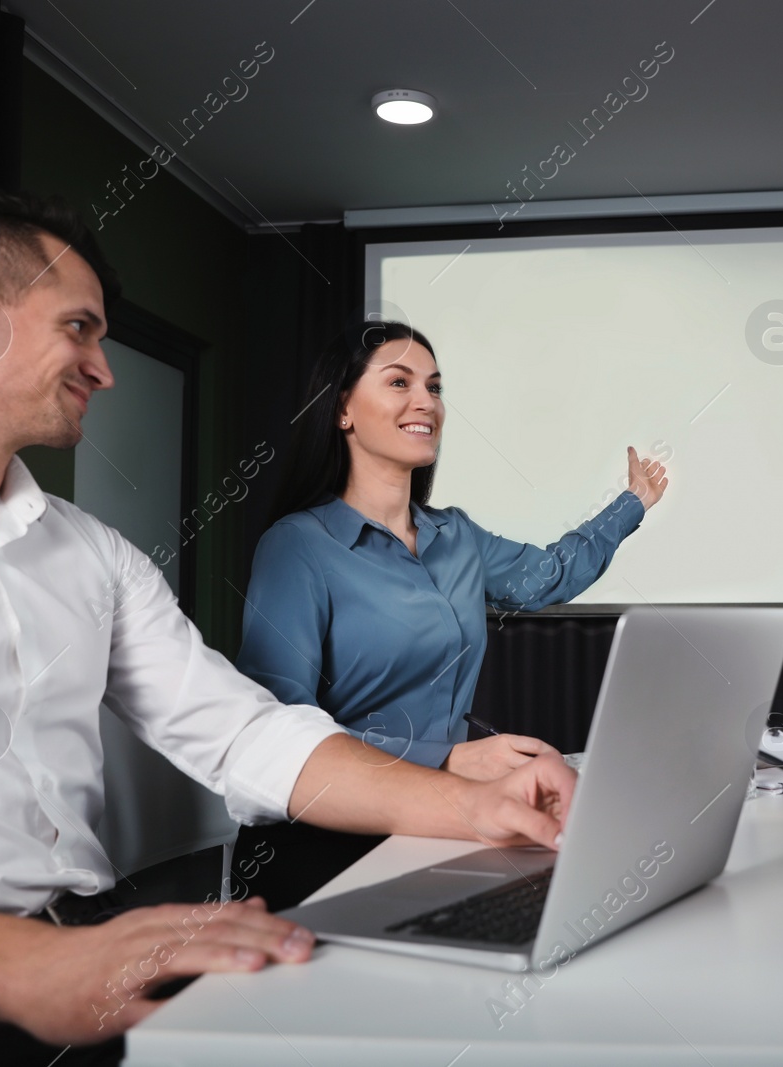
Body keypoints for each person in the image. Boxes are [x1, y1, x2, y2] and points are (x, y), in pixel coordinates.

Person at [0, 192, 575, 1066]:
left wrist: (471, 805)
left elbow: (245, 733)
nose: (103, 366)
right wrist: (34, 964)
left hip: (88, 952)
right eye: (79, 328)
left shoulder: (93, 555)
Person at [232, 321, 668, 906]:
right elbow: (279, 729)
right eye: (399, 382)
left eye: (434, 387)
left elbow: (551, 575)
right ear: (342, 411)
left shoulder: (456, 536)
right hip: (326, 841)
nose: (425, 402)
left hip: (440, 822)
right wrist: (450, 758)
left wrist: (631, 503)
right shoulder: (297, 548)